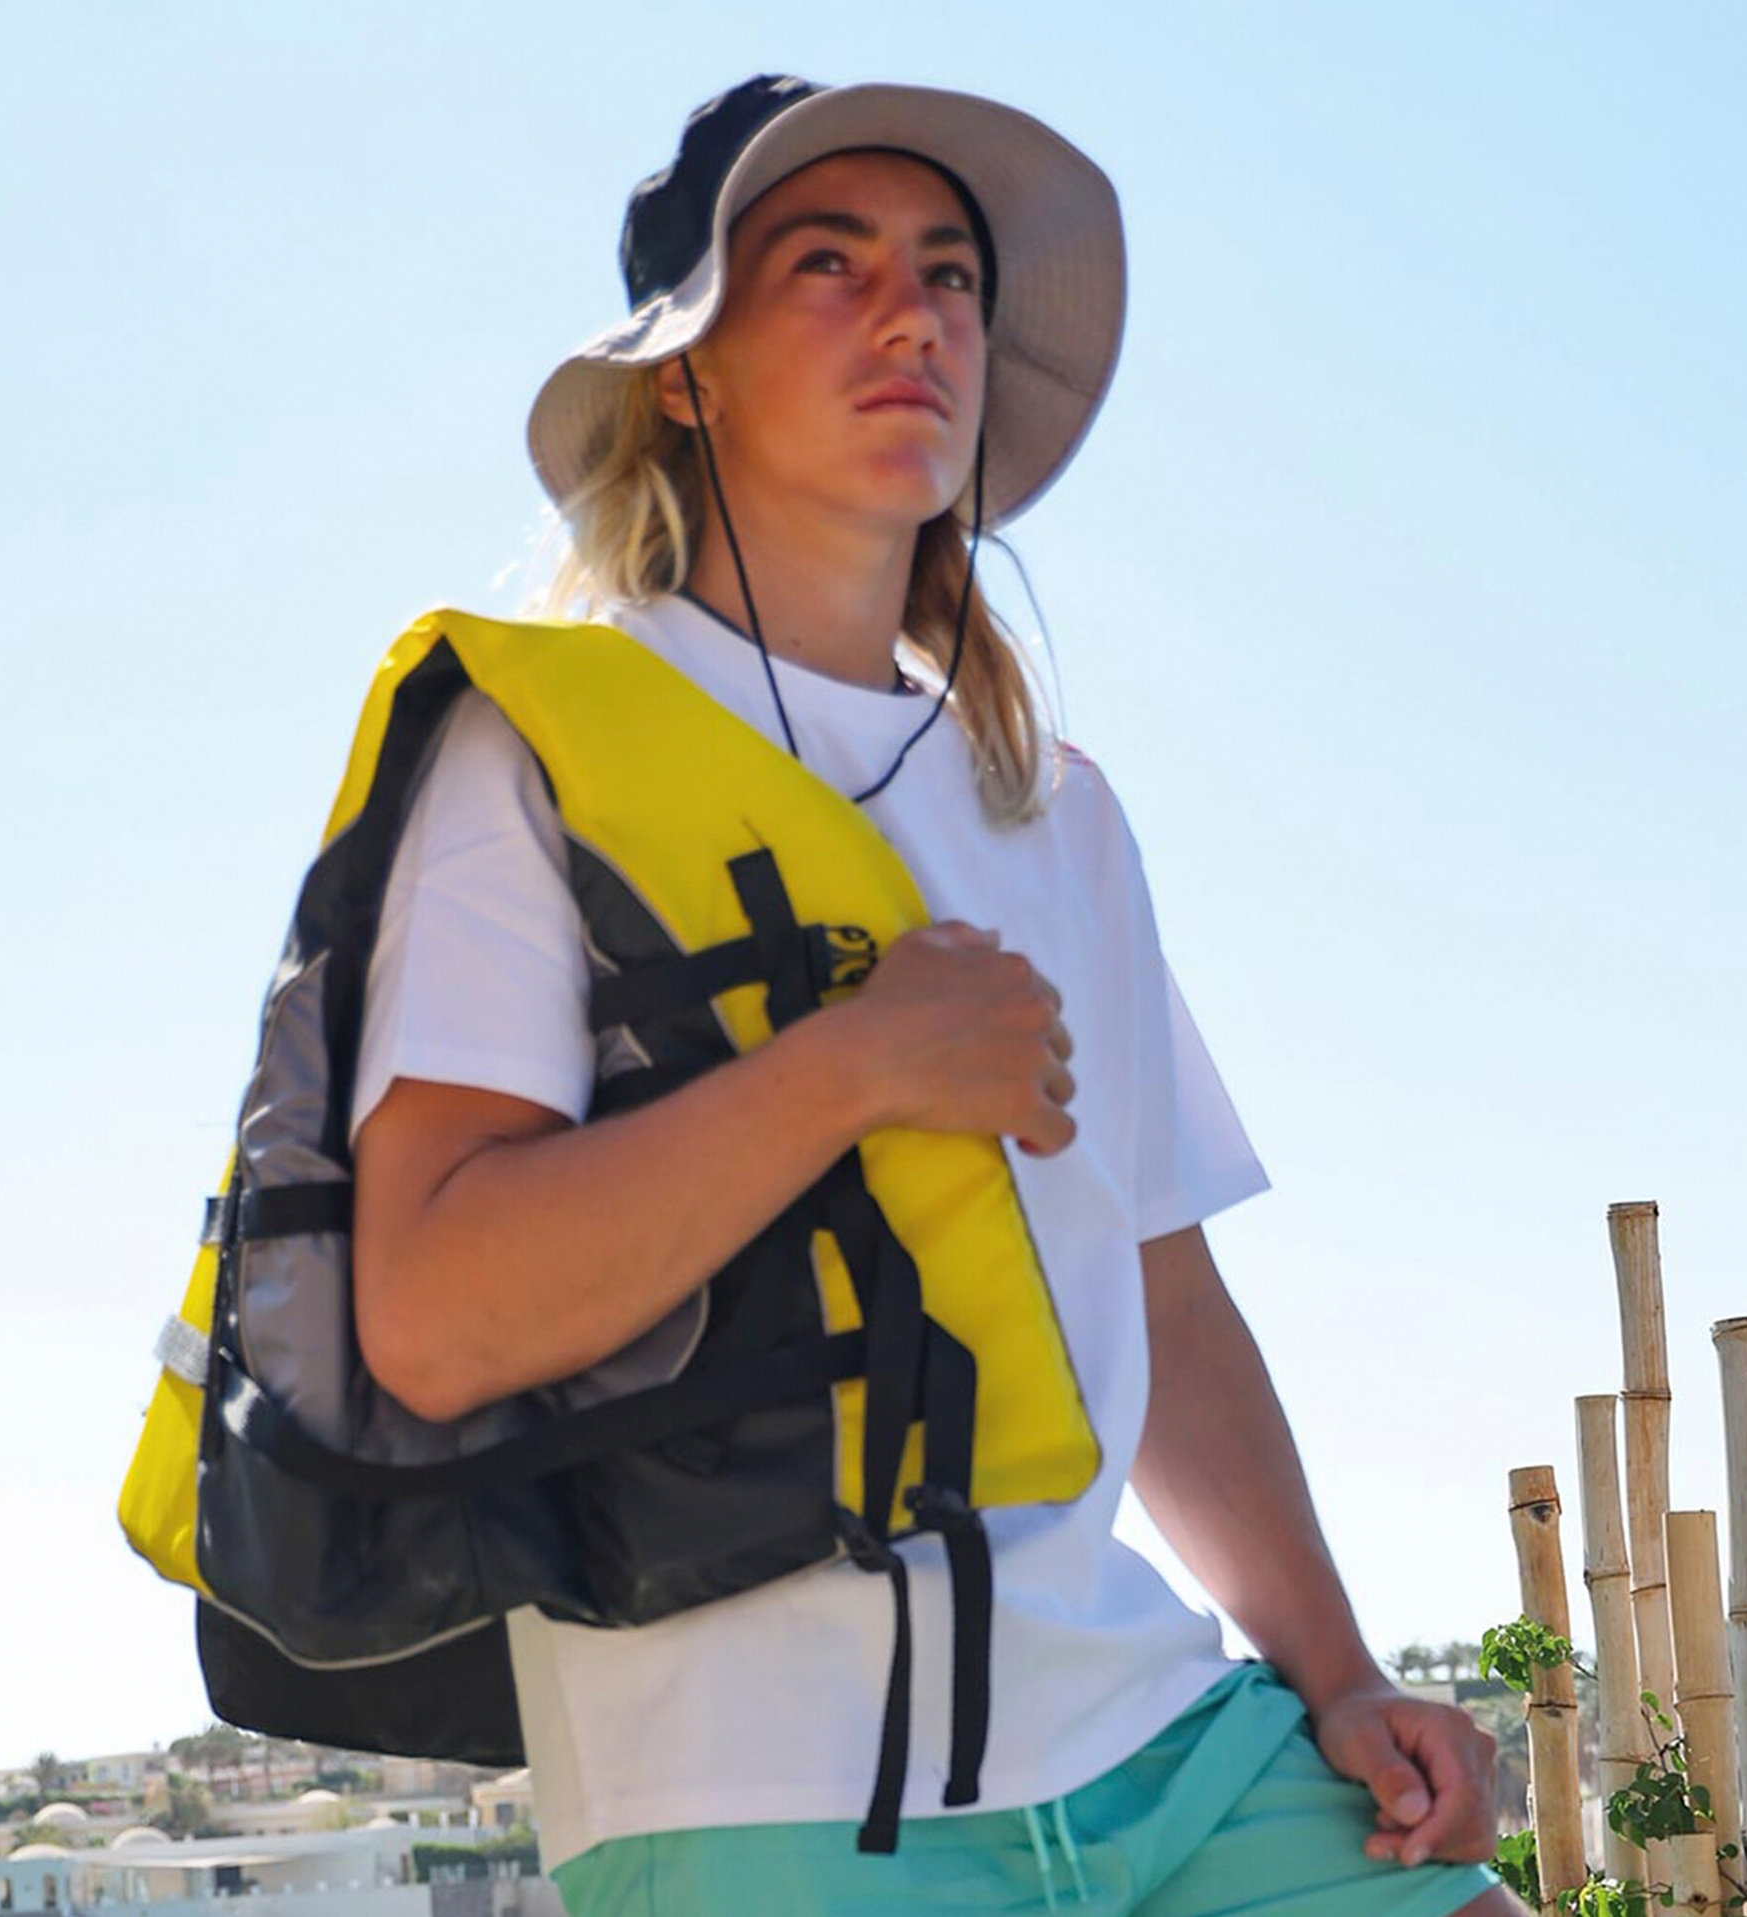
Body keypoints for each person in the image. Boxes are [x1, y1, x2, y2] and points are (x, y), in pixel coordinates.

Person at [348, 75, 1516, 1916]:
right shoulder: (530, 755)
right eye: (827, 260)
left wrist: (1343, 1671)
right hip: (754, 1786)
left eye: (952, 274)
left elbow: (1156, 1281)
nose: (916, 314)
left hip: (1153, 1738)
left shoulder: (1052, 804)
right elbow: (428, 1312)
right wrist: (851, 1066)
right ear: (684, 371)